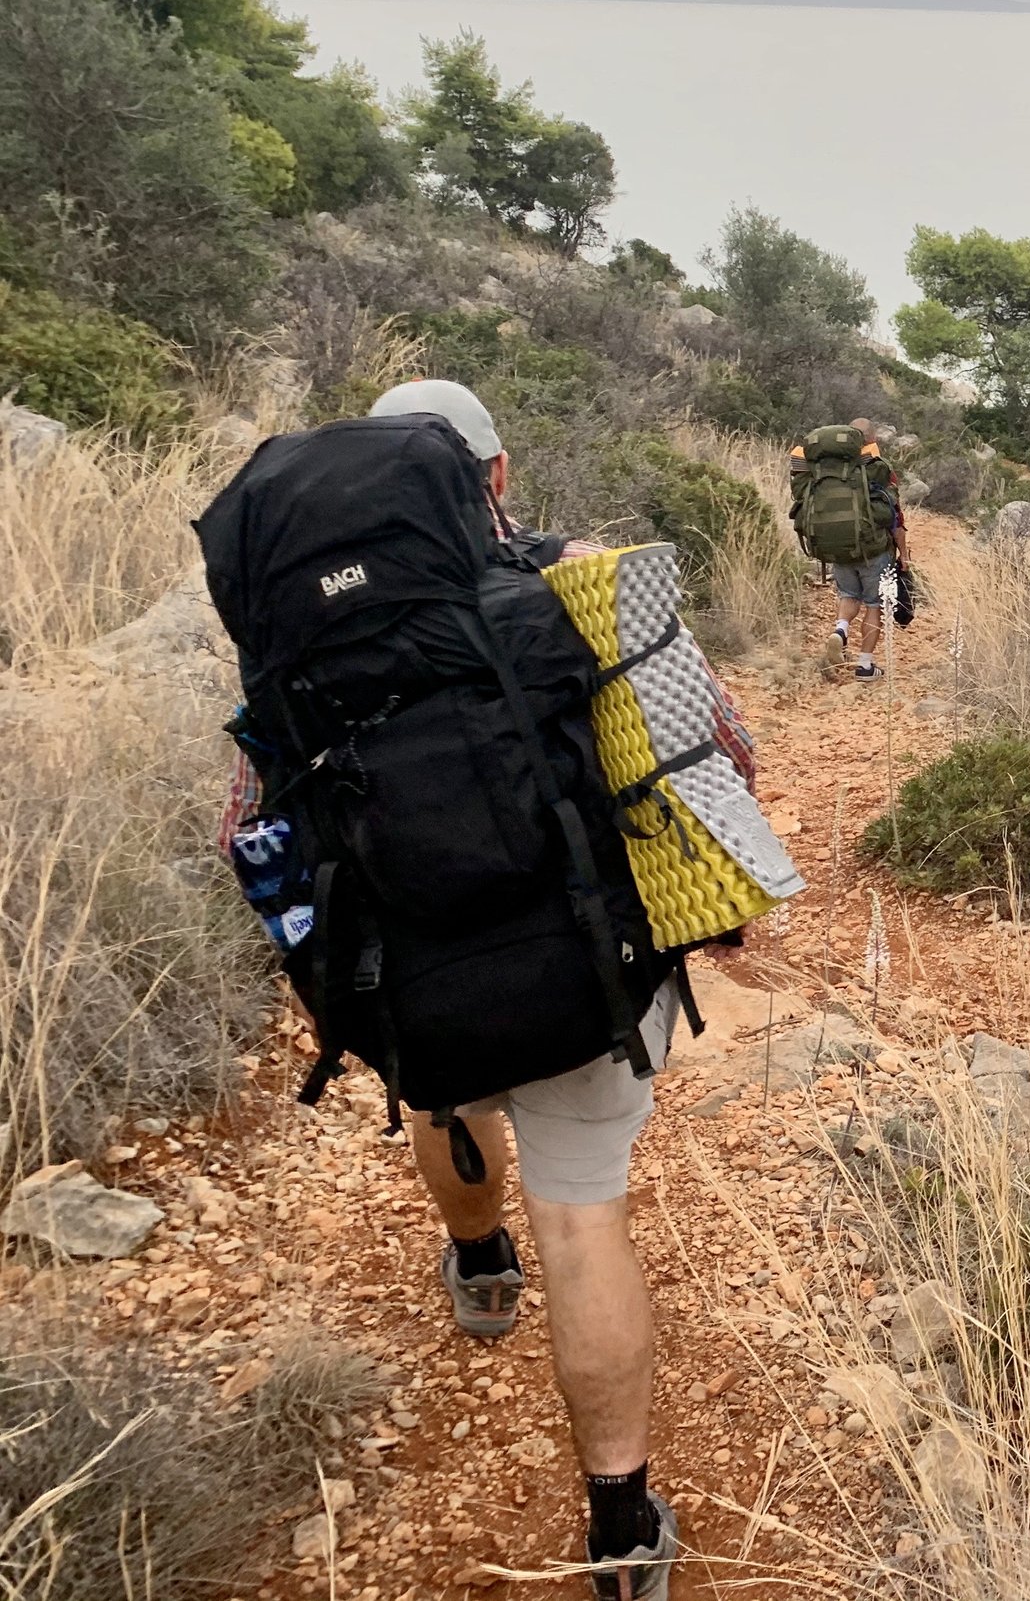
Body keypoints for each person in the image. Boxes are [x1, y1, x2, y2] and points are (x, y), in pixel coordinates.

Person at [216, 379, 756, 1600]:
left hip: (410, 986)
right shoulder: (579, 583)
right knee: (588, 1212)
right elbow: (719, 749)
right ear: (495, 478)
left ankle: (480, 1269)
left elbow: (251, 834)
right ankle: (621, 1528)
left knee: (443, 1100)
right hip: (585, 975)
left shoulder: (295, 639)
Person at [825, 417, 908, 683]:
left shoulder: (830, 469)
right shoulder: (878, 469)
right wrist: (904, 554)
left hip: (839, 546)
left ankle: (840, 631)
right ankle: (865, 666)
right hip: (874, 550)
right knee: (874, 604)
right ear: (872, 440)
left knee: (849, 595)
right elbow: (896, 518)